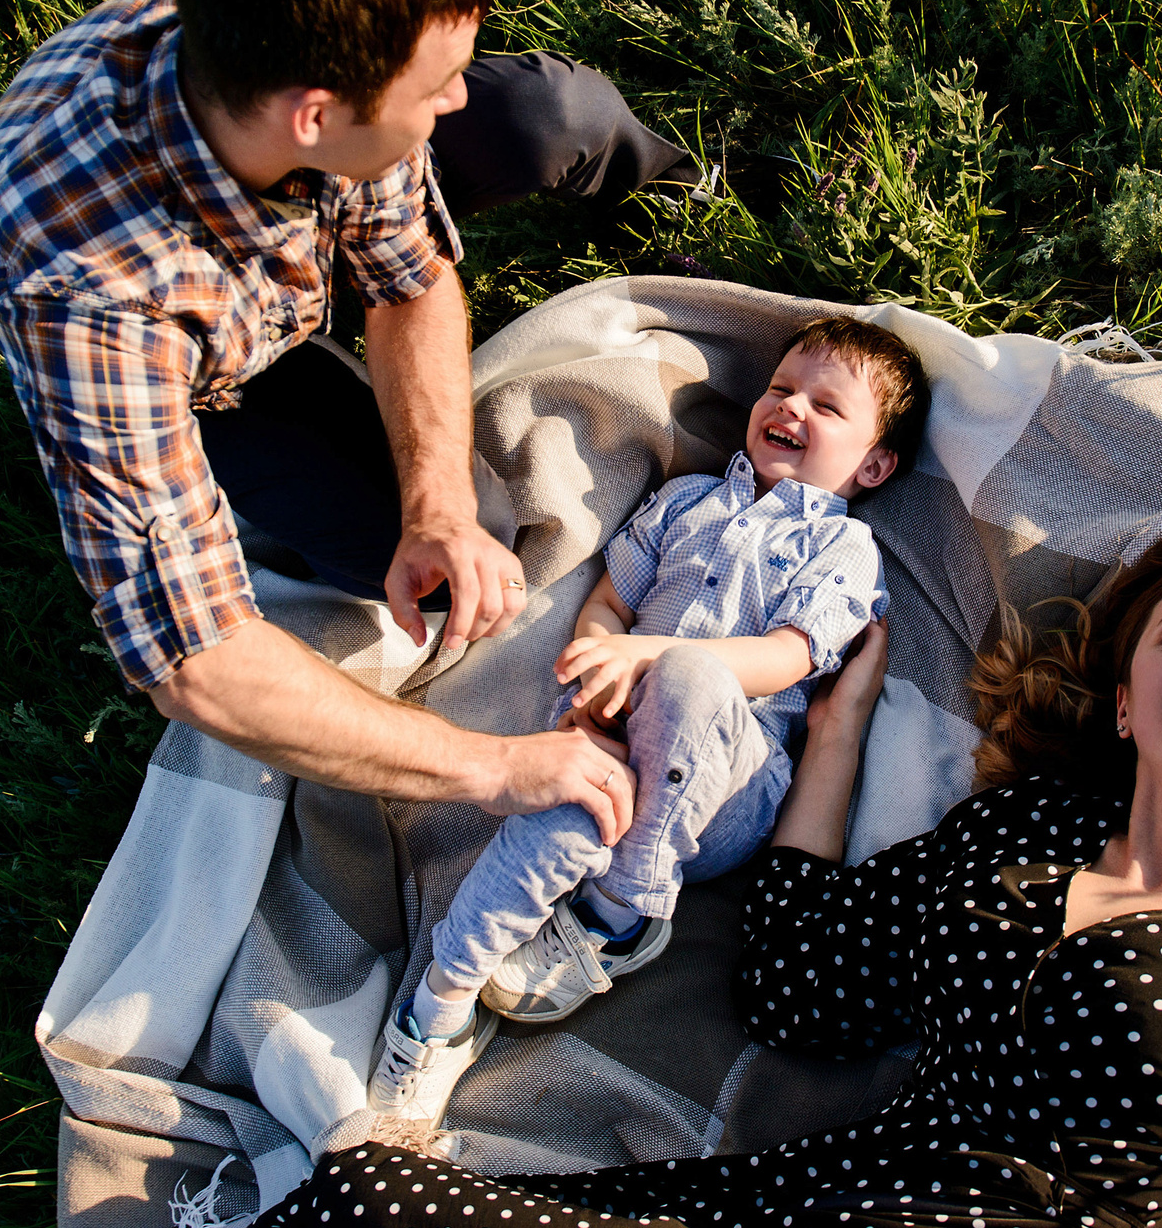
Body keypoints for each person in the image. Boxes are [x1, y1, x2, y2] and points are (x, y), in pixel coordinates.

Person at [242, 437, 1162, 1228]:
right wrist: (830, 741)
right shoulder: (1024, 835)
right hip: (811, 1226)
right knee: (368, 1206)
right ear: (1120, 699)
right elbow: (801, 984)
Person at [0, 0, 697, 844]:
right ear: (315, 115)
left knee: (558, 118)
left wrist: (436, 498)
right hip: (211, 364)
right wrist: (499, 765)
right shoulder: (85, 306)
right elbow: (199, 663)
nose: (456, 100)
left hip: (276, 229)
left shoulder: (293, 51)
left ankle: (694, 187)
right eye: (435, 85)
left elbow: (410, 274)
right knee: (407, 552)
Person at [369, 317, 930, 1127]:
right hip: (624, 745)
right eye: (779, 388)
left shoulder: (843, 547)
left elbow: (787, 656)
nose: (791, 406)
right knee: (562, 813)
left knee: (694, 672)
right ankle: (438, 1007)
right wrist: (599, 660)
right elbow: (608, 601)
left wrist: (652, 655)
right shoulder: (685, 500)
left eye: (826, 406)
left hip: (727, 787)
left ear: (874, 463)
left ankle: (620, 915)